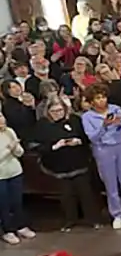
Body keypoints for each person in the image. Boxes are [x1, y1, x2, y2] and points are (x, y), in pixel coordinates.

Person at [81, 84, 121, 229]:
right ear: (92, 101)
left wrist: (120, 123)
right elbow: (92, 137)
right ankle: (117, 214)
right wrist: (104, 126)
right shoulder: (87, 117)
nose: (102, 100)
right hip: (103, 150)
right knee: (111, 184)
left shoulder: (116, 109)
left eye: (103, 97)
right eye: (98, 98)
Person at [36, 98, 100, 231]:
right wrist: (55, 146)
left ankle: (92, 219)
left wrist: (78, 141)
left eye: (60, 110)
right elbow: (38, 145)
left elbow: (86, 137)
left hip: (78, 161)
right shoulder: (43, 125)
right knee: (66, 195)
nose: (57, 113)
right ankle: (70, 221)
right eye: (53, 111)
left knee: (86, 192)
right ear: (48, 112)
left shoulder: (74, 120)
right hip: (59, 165)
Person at [0, 112, 33, 244]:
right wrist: (10, 148)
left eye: (1, 116)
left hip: (15, 172)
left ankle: (21, 226)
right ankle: (8, 231)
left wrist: (15, 148)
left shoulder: (9, 131)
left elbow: (20, 152)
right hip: (1, 176)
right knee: (4, 204)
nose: (1, 120)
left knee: (17, 201)